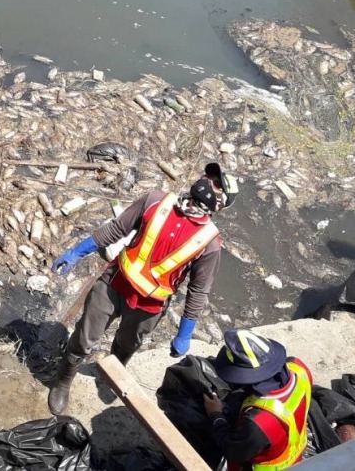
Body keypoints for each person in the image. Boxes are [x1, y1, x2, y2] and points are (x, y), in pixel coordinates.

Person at [45, 171, 227, 415]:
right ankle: (63, 381)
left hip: (148, 308)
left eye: (216, 185)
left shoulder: (210, 243)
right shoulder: (156, 200)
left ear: (221, 203)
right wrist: (77, 252)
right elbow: (116, 229)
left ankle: (112, 374)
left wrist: (184, 334)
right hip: (113, 283)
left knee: (127, 344)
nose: (208, 182)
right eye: (209, 176)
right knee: (83, 338)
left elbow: (198, 291)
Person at [203, 329, 313, 471]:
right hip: (294, 452)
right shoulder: (299, 367)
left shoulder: (258, 423)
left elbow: (233, 450)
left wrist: (216, 415)